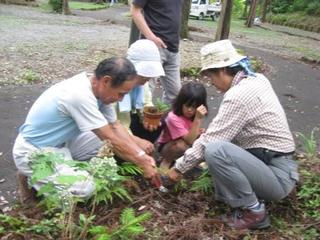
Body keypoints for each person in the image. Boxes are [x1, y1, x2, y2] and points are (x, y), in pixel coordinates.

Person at [167, 40, 299, 230]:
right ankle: (247, 200)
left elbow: (210, 142)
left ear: (221, 70)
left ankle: (254, 212)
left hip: (277, 177)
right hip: (278, 164)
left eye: (211, 76)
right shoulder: (257, 79)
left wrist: (178, 169)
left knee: (215, 150)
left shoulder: (238, 95)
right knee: (218, 148)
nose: (211, 83)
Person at [12, 57, 162, 203]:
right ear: (106, 81)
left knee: (103, 142)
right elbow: (109, 137)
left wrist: (140, 154)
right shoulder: (78, 95)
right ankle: (30, 174)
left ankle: (61, 174)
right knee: (85, 189)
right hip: (34, 150)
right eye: (121, 93)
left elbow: (115, 126)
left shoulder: (100, 92)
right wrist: (141, 163)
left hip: (62, 144)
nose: (121, 99)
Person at [131, 0, 183, 104]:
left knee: (176, 95)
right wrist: (151, 37)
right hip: (153, 48)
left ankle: (162, 120)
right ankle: (138, 119)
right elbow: (135, 11)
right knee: (145, 93)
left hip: (173, 48)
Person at [115, 39, 165, 142]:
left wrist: (147, 118)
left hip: (131, 117)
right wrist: (135, 142)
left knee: (159, 124)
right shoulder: (116, 84)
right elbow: (115, 123)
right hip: (117, 125)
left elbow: (146, 103)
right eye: (144, 76)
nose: (147, 79)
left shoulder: (143, 84)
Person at [157, 82, 208, 169]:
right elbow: (189, 141)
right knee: (181, 145)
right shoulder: (173, 117)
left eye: (194, 107)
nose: (190, 110)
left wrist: (199, 132)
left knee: (206, 135)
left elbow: (190, 131)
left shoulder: (195, 114)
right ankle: (166, 161)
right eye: (187, 105)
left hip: (185, 140)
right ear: (181, 102)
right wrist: (198, 119)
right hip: (168, 147)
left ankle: (193, 159)